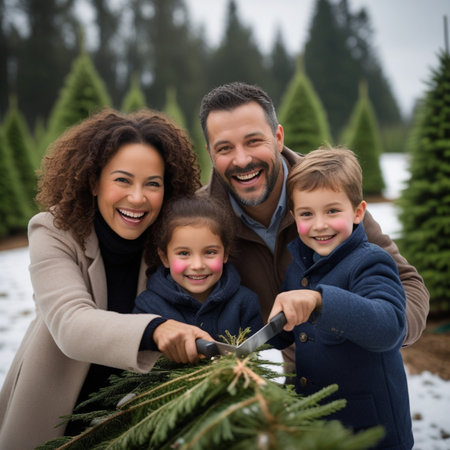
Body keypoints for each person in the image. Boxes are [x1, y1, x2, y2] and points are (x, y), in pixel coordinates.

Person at [0, 108, 214, 449]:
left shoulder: (173, 244)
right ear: (94, 181)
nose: (137, 197)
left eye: (153, 184)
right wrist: (154, 330)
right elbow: (70, 324)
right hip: (52, 421)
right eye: (123, 180)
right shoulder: (54, 232)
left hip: (131, 428)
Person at [198, 81, 429, 371]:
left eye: (254, 141)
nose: (242, 159)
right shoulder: (198, 222)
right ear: (209, 151)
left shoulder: (328, 194)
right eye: (225, 148)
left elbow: (407, 284)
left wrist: (373, 329)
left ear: (278, 137)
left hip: (361, 377)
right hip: (296, 385)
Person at [267, 147, 413, 448]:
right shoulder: (299, 267)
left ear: (358, 212)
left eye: (332, 211)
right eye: (307, 214)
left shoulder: (370, 261)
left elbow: (389, 326)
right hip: (317, 427)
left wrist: (321, 302)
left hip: (369, 432)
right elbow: (292, 332)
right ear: (294, 217)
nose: (320, 224)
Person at [133, 196, 264, 342]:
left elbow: (257, 357)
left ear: (225, 254)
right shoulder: (147, 307)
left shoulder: (245, 303)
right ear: (164, 258)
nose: (197, 265)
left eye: (210, 252)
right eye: (184, 253)